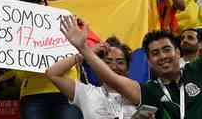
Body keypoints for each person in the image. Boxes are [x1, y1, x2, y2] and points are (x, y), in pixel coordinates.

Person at [60, 15, 202, 119]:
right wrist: (84, 49)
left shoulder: (196, 70)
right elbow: (113, 79)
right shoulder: (148, 90)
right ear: (149, 61)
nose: (163, 56)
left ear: (177, 52)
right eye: (155, 53)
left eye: (166, 49)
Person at [16, 0, 84, 119]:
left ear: (46, 3)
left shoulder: (66, 22)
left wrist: (78, 29)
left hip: (67, 89)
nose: (35, 5)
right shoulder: (14, 29)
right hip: (33, 93)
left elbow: (83, 50)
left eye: (39, 1)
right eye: (30, 2)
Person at [46, 36, 137, 119]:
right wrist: (85, 53)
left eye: (120, 62)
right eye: (107, 62)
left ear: (128, 68)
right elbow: (52, 73)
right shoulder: (86, 93)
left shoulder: (139, 93)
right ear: (98, 66)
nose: (114, 67)